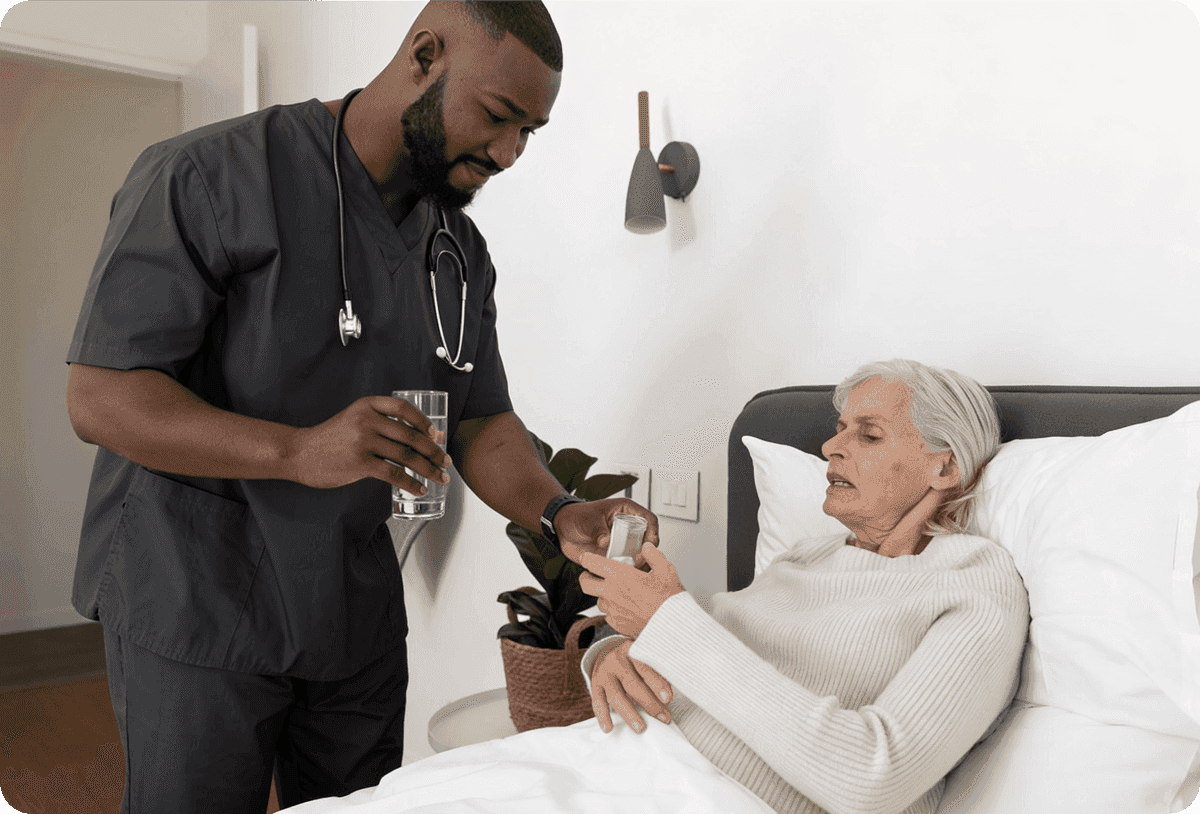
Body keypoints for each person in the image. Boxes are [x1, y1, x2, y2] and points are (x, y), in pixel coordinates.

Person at [63, 2, 657, 812]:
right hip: (195, 590)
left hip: (349, 608)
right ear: (424, 55)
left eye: (531, 132)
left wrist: (560, 511)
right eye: (497, 116)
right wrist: (298, 451)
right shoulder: (210, 176)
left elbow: (480, 417)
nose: (511, 152)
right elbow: (102, 396)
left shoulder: (456, 250)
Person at [579, 359, 1030, 814]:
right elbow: (707, 651)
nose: (831, 445)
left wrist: (667, 623)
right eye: (839, 428)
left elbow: (871, 779)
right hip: (612, 767)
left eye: (869, 435)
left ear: (945, 468)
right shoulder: (805, 556)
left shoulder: (972, 582)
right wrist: (617, 651)